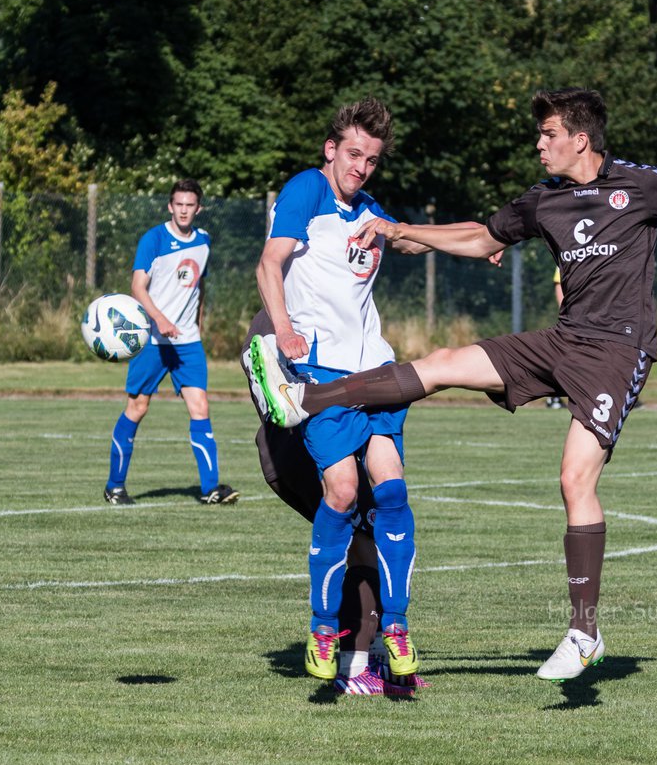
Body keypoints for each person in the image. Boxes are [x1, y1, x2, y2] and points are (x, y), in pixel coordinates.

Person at [249, 87, 657, 682]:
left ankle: (584, 632)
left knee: (573, 478)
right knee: (447, 361)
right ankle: (307, 398)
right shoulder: (543, 200)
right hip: (563, 339)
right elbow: (480, 238)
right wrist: (408, 231)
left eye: (548, 135)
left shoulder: (641, 184)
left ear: (579, 140)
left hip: (617, 351)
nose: (539, 144)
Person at [252, 97, 439, 683]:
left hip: (375, 372)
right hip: (322, 377)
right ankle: (322, 626)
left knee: (392, 489)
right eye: (354, 154)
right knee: (341, 491)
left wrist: (477, 242)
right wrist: (283, 330)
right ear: (331, 150)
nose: (361, 167)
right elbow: (269, 264)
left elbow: (405, 239)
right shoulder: (308, 190)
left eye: (373, 159)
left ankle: (398, 626)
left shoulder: (372, 208)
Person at [243, 311, 429, 695]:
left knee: (374, 533)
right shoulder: (277, 320)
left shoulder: (336, 310)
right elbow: (276, 403)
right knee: (360, 538)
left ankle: (377, 659)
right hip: (294, 455)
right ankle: (353, 664)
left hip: (336, 447)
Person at [104, 179, 239, 506]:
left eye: (189, 205)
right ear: (170, 206)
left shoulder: (204, 241)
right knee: (137, 407)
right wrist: (161, 320)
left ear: (198, 208)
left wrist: (198, 324)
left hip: (187, 343)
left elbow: (198, 288)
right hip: (152, 340)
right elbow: (138, 287)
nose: (183, 210)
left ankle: (209, 490)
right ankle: (115, 487)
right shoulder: (154, 239)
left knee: (200, 407)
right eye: (178, 204)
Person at [544, 267, 565, 409]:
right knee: (563, 358)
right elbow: (559, 282)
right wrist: (565, 310)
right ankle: (553, 398)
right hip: (576, 320)